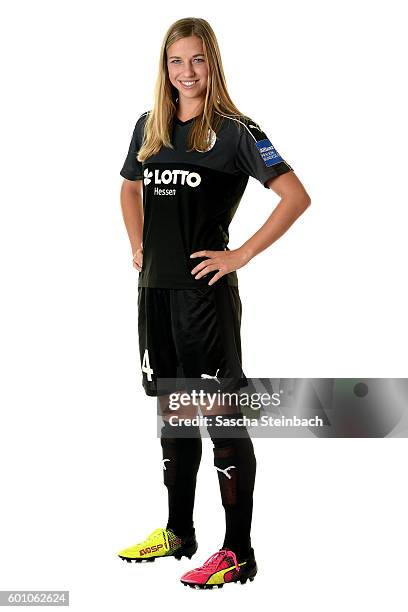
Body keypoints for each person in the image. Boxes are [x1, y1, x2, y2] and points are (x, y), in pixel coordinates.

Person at [117, 17, 311, 589]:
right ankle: (178, 532)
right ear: (165, 68)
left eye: (197, 60)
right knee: (174, 416)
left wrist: (241, 254)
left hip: (205, 302)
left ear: (213, 63)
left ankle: (238, 552)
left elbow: (295, 195)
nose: (187, 72)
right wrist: (137, 243)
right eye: (176, 61)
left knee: (220, 419)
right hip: (155, 294)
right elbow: (129, 186)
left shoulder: (235, 131)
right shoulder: (149, 127)